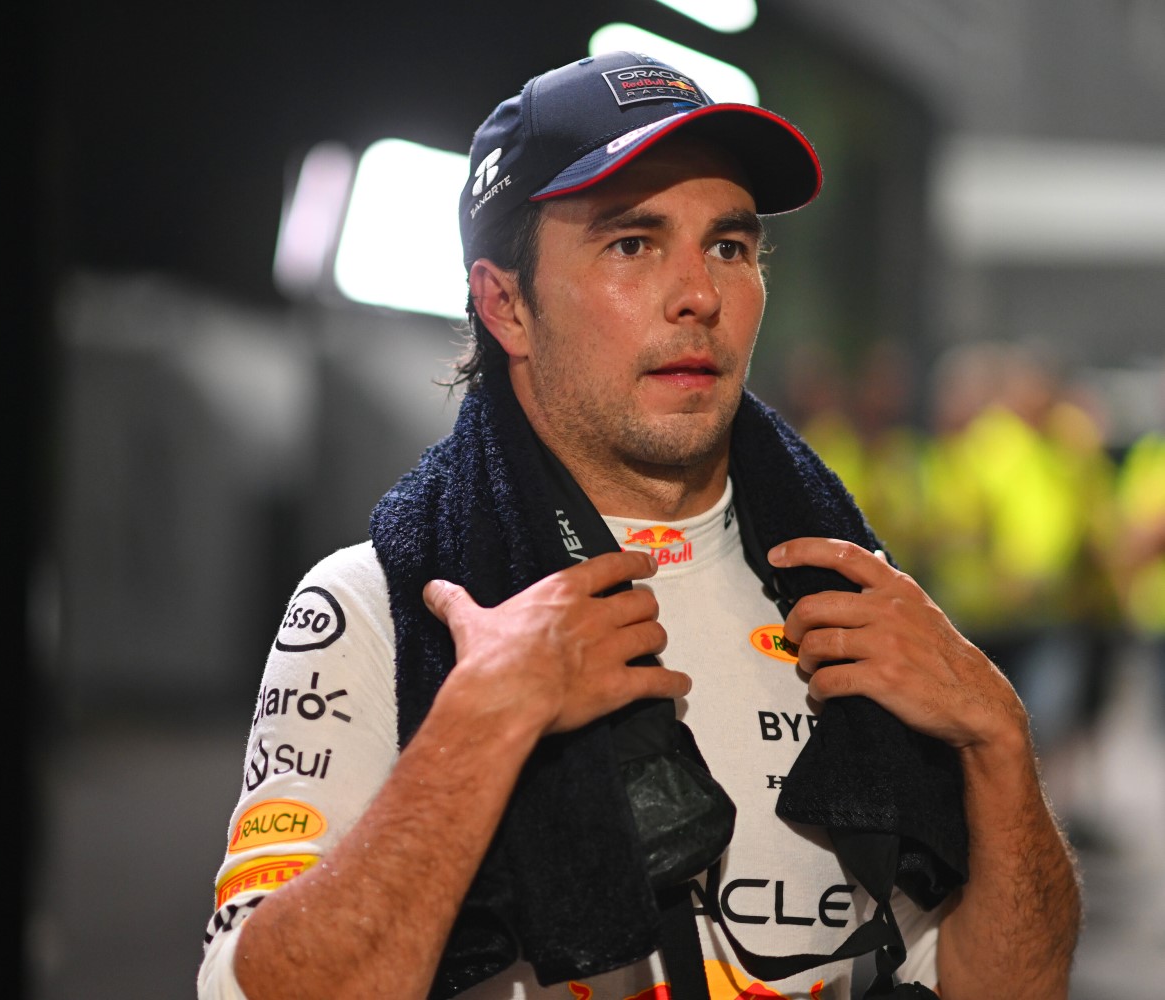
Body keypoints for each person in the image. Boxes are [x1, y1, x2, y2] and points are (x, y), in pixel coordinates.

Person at [197, 51, 1080, 1000]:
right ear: (507, 306)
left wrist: (997, 738)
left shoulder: (858, 598)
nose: (698, 293)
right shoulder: (380, 609)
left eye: (730, 246)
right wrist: (477, 727)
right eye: (633, 244)